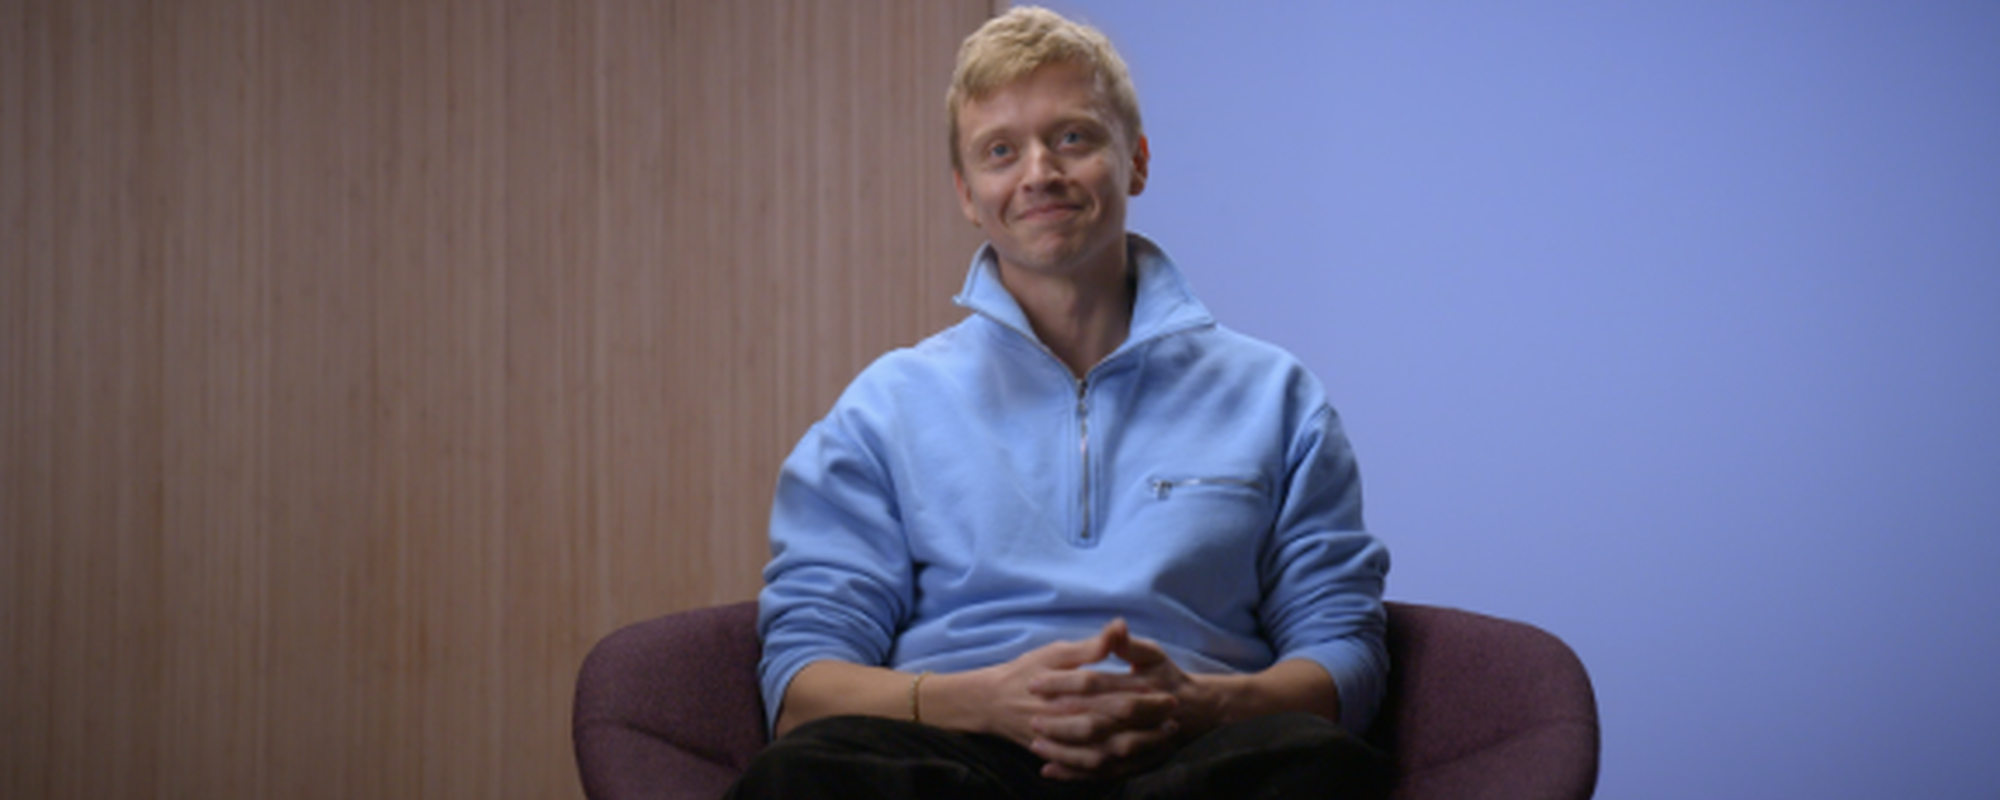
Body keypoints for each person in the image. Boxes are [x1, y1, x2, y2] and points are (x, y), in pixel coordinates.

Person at [727, 7, 1391, 799]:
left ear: (1136, 161)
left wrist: (1200, 705)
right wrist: (983, 701)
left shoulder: (1277, 398)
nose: (1039, 171)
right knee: (798, 776)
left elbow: (1344, 656)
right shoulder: (884, 408)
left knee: (1325, 767)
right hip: (960, 760)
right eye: (1000, 151)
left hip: (1197, 758)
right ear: (967, 193)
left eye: (1073, 137)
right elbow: (801, 686)